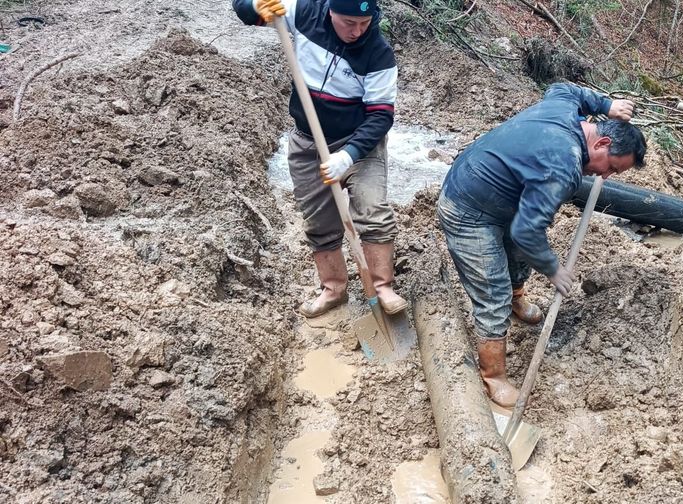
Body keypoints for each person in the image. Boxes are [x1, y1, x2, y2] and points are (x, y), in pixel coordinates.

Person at [437, 83, 647, 407]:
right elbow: (526, 232)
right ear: (602, 142)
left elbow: (563, 87)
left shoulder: (564, 110)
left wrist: (607, 104)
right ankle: (493, 377)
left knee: (521, 253)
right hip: (468, 210)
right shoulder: (562, 165)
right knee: (493, 291)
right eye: (612, 167)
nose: (606, 176)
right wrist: (554, 269)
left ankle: (516, 301)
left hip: (498, 196)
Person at [233, 0, 406, 317]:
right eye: (348, 22)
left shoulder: (378, 53)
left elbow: (381, 116)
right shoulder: (304, 12)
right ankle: (334, 289)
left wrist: (348, 155)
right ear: (330, 11)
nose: (356, 31)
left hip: (359, 144)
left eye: (364, 23)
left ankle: (382, 287)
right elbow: (243, 11)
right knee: (318, 220)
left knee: (372, 209)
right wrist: (253, 5)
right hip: (308, 140)